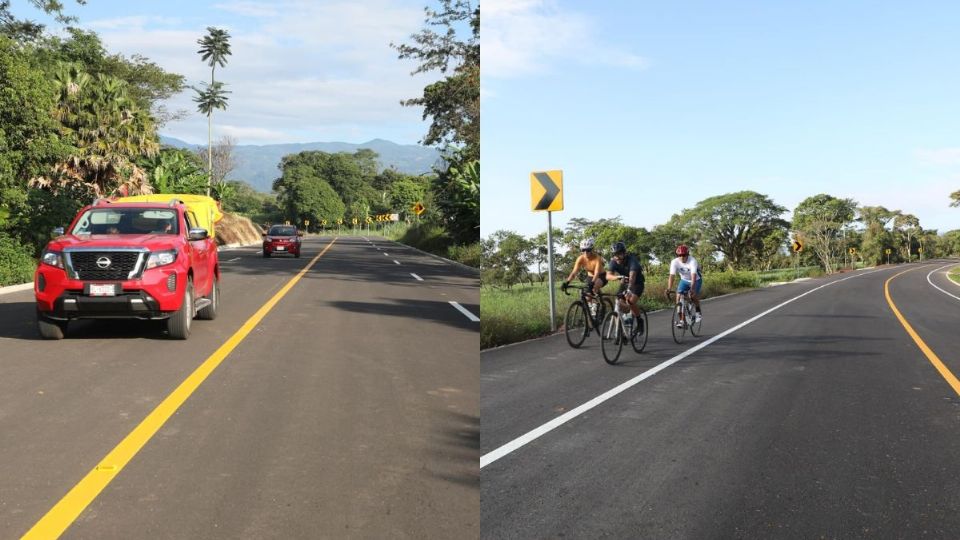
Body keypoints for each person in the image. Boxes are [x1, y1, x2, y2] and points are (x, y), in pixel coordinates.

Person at [606, 241, 645, 334]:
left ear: (624, 253)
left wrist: (629, 290)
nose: (617, 257)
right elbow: (608, 276)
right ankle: (620, 329)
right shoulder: (613, 262)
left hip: (637, 283)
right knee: (619, 304)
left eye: (619, 254)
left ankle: (640, 321)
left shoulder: (632, 261)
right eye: (615, 254)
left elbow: (632, 278)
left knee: (630, 302)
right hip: (624, 282)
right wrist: (618, 277)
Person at [666, 244, 702, 328]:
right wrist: (669, 288)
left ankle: (698, 311)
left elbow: (693, 275)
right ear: (677, 255)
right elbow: (672, 276)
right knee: (678, 299)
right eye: (679, 255)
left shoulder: (692, 261)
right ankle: (683, 321)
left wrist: (692, 289)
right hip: (684, 281)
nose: (682, 257)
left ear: (688, 254)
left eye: (684, 255)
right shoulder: (674, 262)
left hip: (696, 280)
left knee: (693, 296)